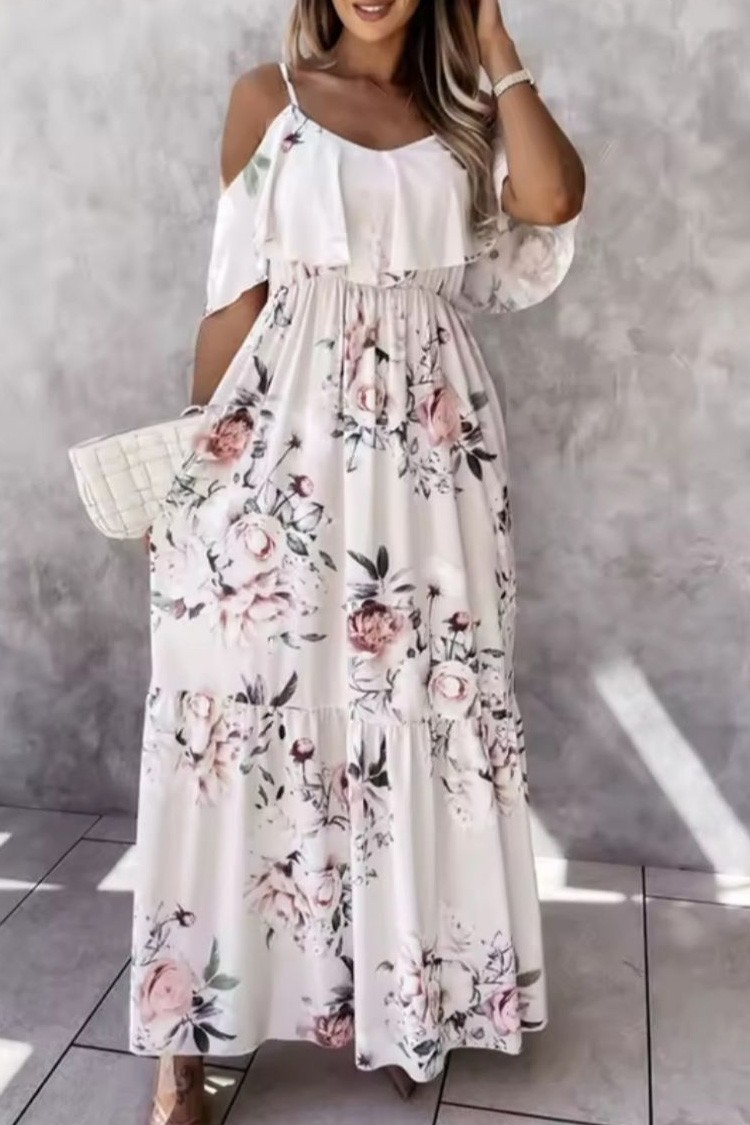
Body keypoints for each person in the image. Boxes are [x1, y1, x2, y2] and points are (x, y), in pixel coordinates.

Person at [131, 0, 585, 1121]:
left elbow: (553, 200)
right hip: (281, 437)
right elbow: (235, 294)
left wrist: (496, 50)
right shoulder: (268, 100)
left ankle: (400, 997)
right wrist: (191, 462)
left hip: (431, 457)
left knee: (411, 706)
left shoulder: (464, 117)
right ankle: (185, 1044)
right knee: (236, 706)